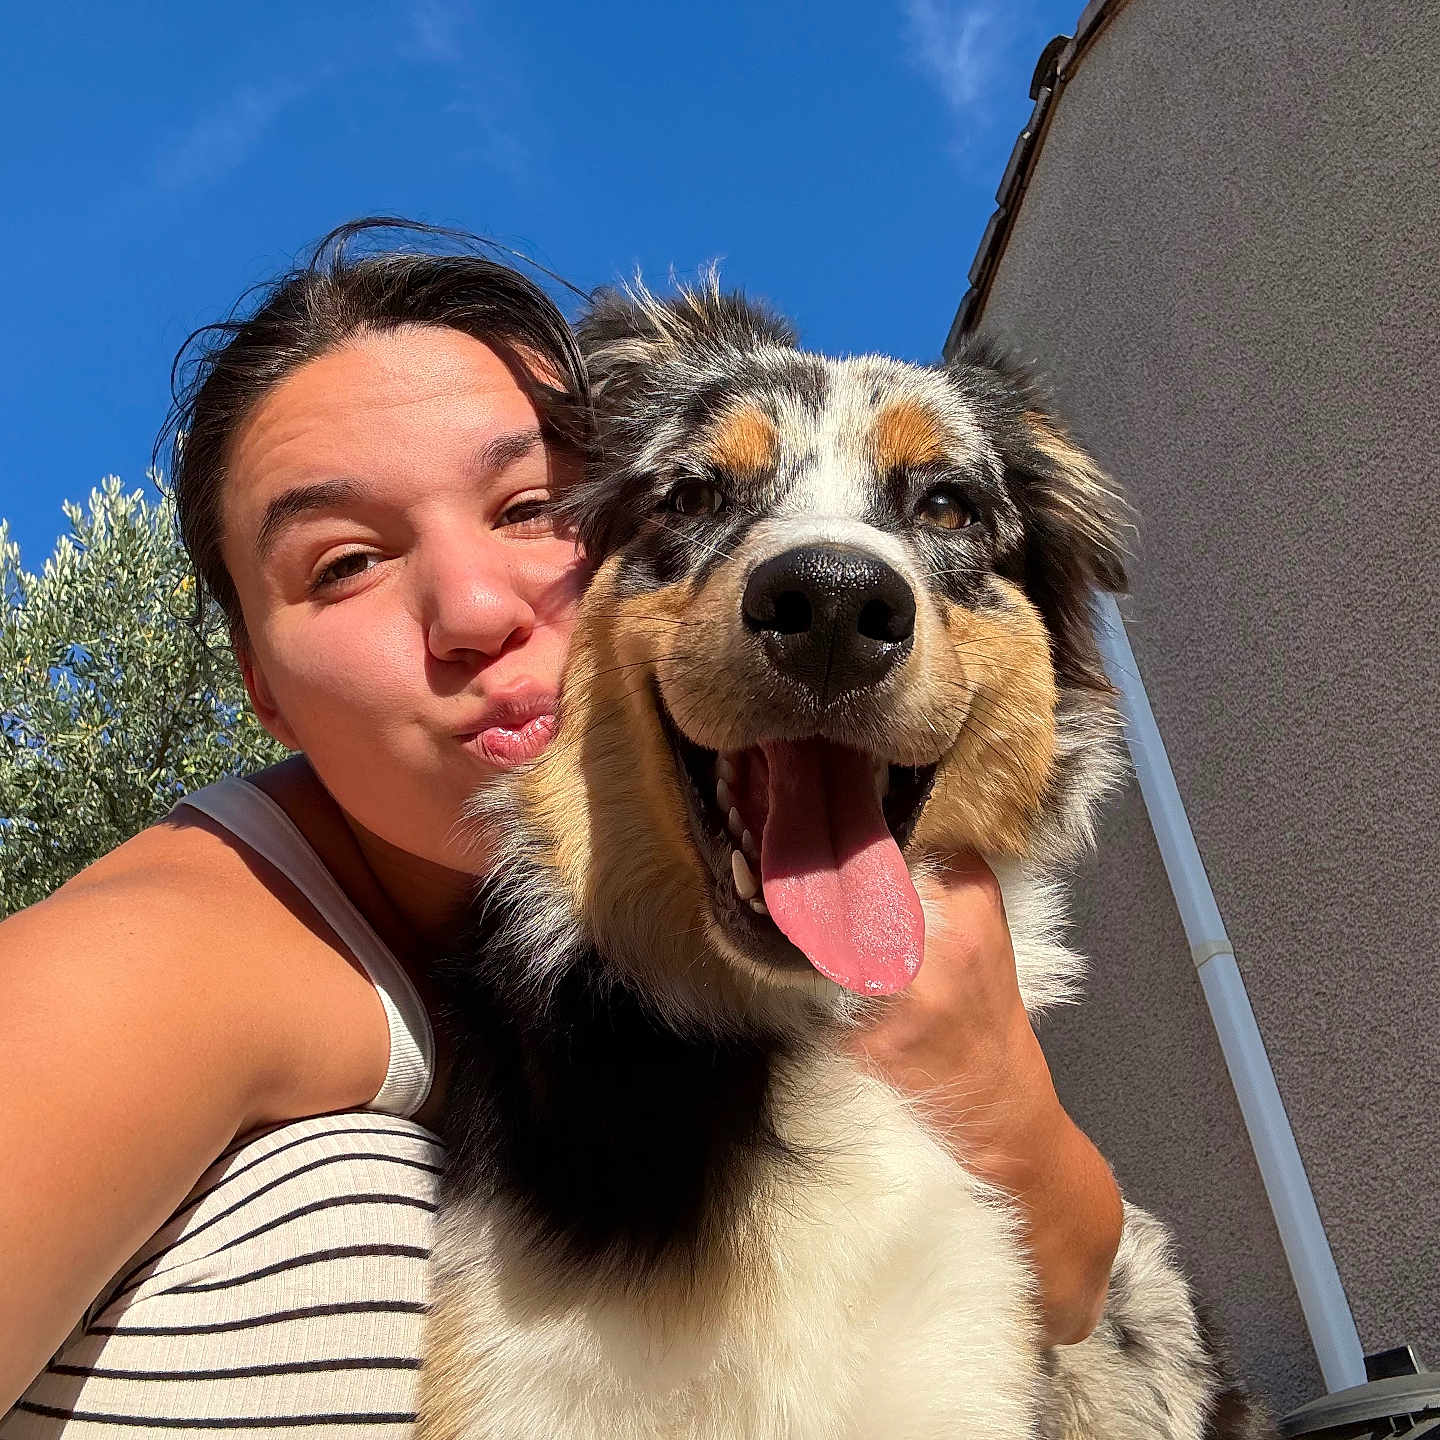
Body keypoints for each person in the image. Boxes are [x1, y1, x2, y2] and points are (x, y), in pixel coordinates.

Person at [0, 223, 1122, 1432]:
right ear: (256, 684)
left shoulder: (845, 901)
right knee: (349, 1195)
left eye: (533, 508)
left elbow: (1075, 1274)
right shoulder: (160, 964)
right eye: (344, 563)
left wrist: (999, 1093)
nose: (476, 610)